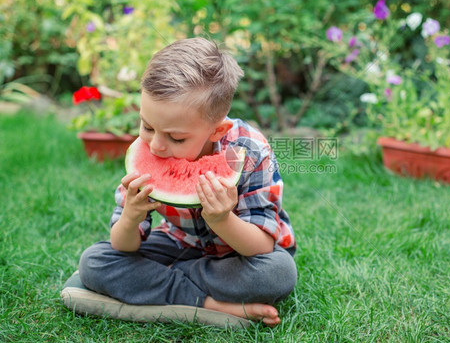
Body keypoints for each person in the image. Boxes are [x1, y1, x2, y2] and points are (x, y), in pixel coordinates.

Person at [78, 38, 297, 327]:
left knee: (279, 272)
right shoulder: (149, 150)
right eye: (147, 126)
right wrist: (131, 216)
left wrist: (221, 219)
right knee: (94, 262)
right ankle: (212, 305)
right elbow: (122, 246)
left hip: (240, 255)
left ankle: (162, 283)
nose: (155, 145)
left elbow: (261, 247)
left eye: (176, 138)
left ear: (218, 130)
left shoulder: (250, 151)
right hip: (178, 242)